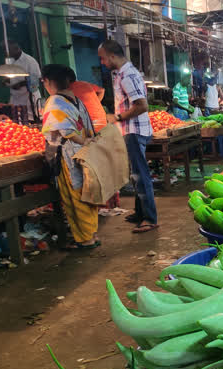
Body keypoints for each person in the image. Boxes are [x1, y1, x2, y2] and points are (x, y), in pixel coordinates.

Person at [98, 40, 157, 234]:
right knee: (135, 174)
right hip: (130, 130)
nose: (102, 62)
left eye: (103, 58)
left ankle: (150, 218)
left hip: (134, 130)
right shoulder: (122, 74)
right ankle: (140, 213)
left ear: (112, 56)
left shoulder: (127, 75)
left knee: (141, 175)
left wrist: (116, 117)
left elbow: (141, 105)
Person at [39, 64, 99, 250]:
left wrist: (80, 141)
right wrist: (86, 142)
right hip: (85, 154)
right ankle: (92, 234)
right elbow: (89, 127)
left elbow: (65, 130)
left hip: (69, 155)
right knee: (87, 193)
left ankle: (85, 239)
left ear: (47, 81)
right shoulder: (76, 100)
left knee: (74, 196)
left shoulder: (55, 101)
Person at [4, 41, 41, 121]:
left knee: (30, 121)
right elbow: (11, 77)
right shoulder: (10, 61)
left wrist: (20, 84)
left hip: (28, 99)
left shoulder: (30, 61)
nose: (6, 52)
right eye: (4, 50)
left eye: (8, 50)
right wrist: (6, 80)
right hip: (15, 98)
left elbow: (36, 80)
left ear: (17, 49)